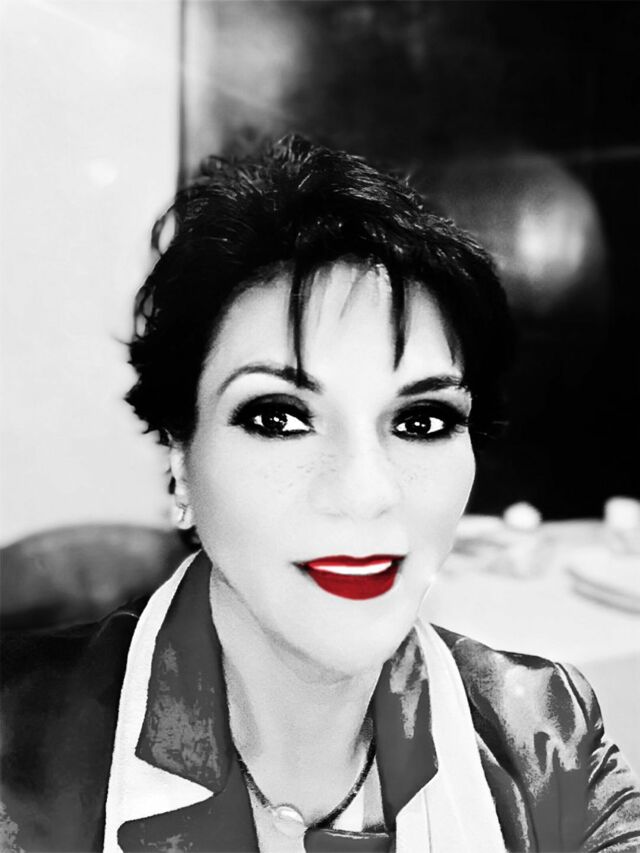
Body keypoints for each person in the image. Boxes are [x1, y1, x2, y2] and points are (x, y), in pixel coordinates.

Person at [1, 135, 639, 853]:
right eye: (278, 417)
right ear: (180, 457)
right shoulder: (18, 760)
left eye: (421, 421)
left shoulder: (545, 740)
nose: (365, 492)